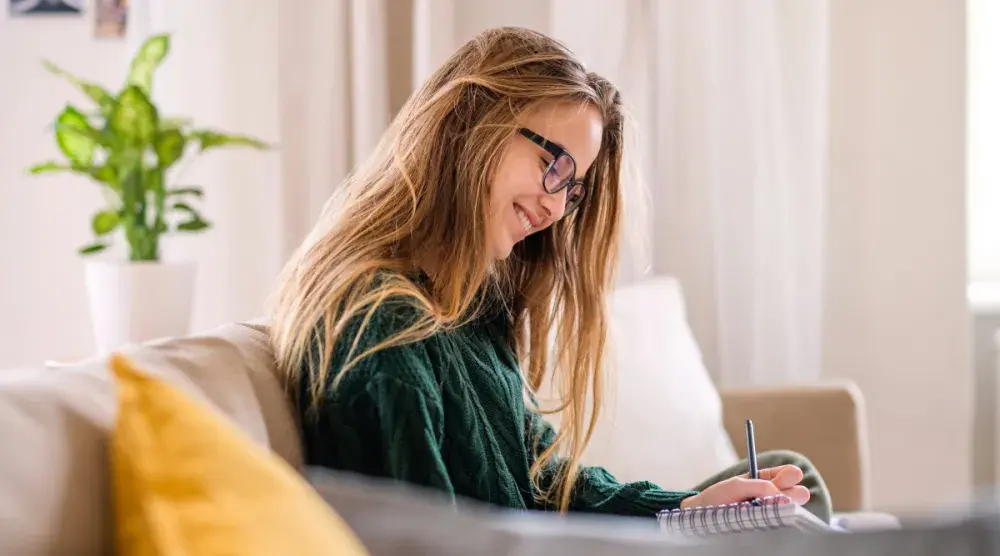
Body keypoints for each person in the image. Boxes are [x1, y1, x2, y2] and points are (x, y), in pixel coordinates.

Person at [269, 26, 832, 521]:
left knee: (785, 480)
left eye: (574, 187)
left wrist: (682, 509)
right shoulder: (383, 327)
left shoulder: (469, 310)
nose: (558, 207)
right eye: (553, 164)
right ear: (470, 123)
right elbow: (425, 541)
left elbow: (540, 483)